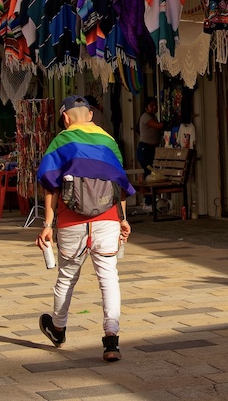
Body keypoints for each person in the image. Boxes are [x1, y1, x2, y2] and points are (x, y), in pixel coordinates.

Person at [36, 95, 135, 362]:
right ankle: (111, 339)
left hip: (71, 222)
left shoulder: (61, 141)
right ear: (90, 115)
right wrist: (123, 219)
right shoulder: (109, 141)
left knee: (66, 278)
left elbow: (51, 186)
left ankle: (58, 328)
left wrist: (47, 224)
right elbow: (119, 183)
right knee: (108, 278)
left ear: (66, 118)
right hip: (107, 221)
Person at [137, 97, 164, 210]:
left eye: (155, 105)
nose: (154, 107)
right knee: (149, 174)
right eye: (151, 105)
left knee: (151, 174)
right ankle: (148, 202)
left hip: (151, 148)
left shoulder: (153, 117)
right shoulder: (146, 117)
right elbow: (159, 126)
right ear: (146, 108)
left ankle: (150, 201)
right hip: (145, 149)